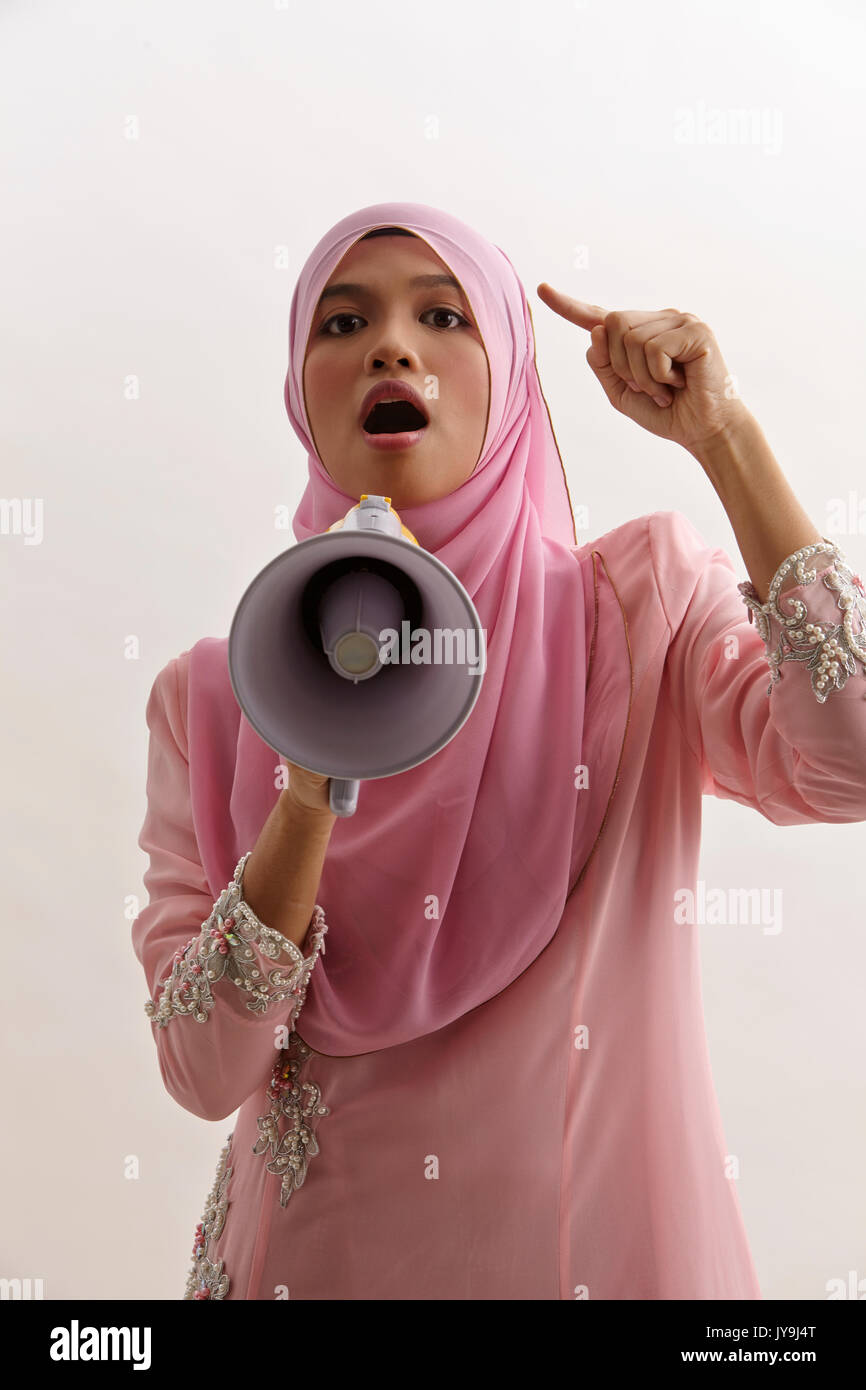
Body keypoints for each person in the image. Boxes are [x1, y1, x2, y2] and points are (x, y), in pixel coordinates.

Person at [133, 202, 866, 1300]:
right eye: (341, 323)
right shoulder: (210, 698)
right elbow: (203, 1070)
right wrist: (304, 791)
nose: (390, 344)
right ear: (300, 397)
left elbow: (846, 761)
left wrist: (723, 436)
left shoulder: (638, 612)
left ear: (513, 384)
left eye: (442, 315)